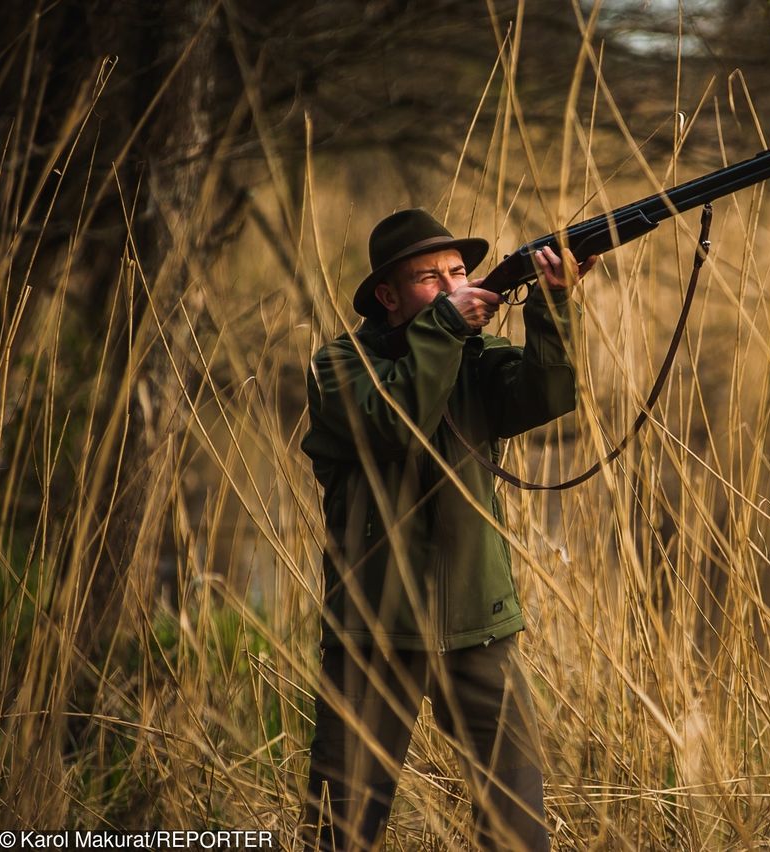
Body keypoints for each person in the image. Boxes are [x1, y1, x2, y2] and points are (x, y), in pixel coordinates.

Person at [298, 207, 596, 851]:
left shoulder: (476, 354)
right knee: (340, 830)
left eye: (459, 271)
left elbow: (544, 397)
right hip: (373, 633)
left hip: (479, 624)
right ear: (388, 295)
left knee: (518, 831)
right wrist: (443, 329)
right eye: (429, 278)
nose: (453, 285)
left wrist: (554, 307)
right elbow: (391, 424)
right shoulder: (339, 366)